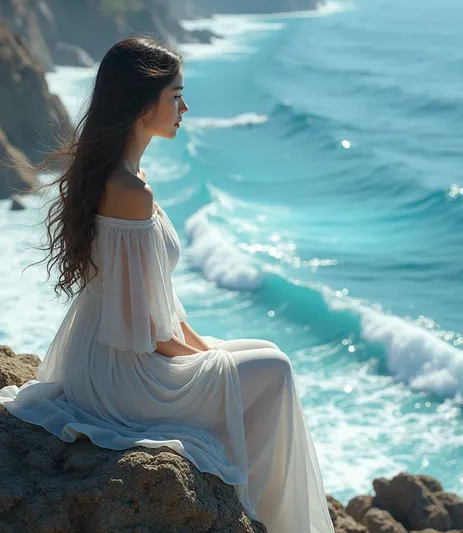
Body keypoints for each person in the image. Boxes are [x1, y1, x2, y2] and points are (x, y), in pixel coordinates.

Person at [0, 37, 335, 533]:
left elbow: (160, 305)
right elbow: (148, 332)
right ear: (143, 103)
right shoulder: (130, 191)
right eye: (176, 95)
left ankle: (268, 514)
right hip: (121, 375)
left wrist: (206, 353)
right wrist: (205, 361)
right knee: (277, 369)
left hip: (105, 353)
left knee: (259, 353)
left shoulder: (122, 174)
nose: (185, 107)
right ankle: (278, 519)